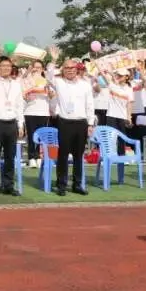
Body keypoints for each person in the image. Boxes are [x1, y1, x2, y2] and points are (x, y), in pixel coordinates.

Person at [49, 58, 94, 196]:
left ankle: (77, 184)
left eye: (72, 68)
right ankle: (61, 184)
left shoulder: (85, 85)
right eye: (66, 68)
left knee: (78, 156)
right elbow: (49, 74)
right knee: (63, 155)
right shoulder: (59, 82)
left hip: (81, 123)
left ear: (77, 69)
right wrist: (54, 60)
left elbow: (90, 104)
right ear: (63, 69)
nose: (69, 70)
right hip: (65, 122)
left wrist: (90, 123)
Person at [0, 55, 26, 197]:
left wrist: (20, 124)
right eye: (3, 66)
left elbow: (20, 105)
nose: (6, 68)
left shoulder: (16, 84)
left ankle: (8, 185)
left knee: (10, 156)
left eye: (8, 66)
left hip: (12, 124)